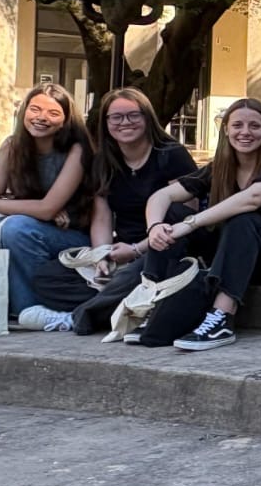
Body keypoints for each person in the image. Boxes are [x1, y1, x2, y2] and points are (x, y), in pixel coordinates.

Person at [141, 97, 261, 350]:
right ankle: (150, 301)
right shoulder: (220, 166)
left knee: (244, 219)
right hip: (234, 255)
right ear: (226, 129)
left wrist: (192, 222)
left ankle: (221, 317)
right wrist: (154, 228)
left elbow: (252, 199)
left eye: (255, 126)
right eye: (238, 125)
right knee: (171, 213)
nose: (245, 132)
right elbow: (163, 195)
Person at [27, 88, 198, 333]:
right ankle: (128, 305)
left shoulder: (171, 155)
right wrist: (102, 256)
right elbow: (102, 217)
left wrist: (137, 249)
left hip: (165, 248)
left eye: (133, 115)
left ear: (147, 118)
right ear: (106, 122)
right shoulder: (103, 160)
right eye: (116, 117)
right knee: (46, 277)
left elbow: (184, 218)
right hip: (122, 251)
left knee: (140, 272)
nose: (124, 122)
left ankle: (79, 317)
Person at [0, 83, 94, 325]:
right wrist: (5, 154)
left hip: (75, 234)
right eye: (35, 109)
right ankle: (11, 305)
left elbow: (47, 208)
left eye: (53, 113)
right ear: (23, 111)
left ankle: (37, 307)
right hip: (38, 225)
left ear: (66, 120)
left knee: (15, 227)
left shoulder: (77, 151)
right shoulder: (13, 145)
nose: (41, 118)